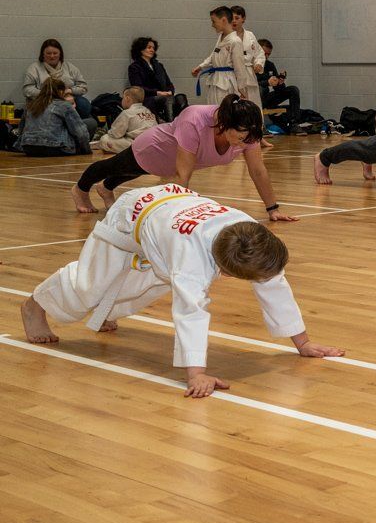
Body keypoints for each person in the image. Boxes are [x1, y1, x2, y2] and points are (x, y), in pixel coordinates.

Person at [22, 184, 344, 397]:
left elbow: (274, 283)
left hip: (169, 210)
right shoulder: (191, 260)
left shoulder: (250, 233)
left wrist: (303, 343)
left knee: (150, 281)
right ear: (225, 272)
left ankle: (108, 309)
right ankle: (34, 305)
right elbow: (190, 312)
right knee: (89, 287)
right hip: (130, 214)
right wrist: (196, 374)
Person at [72, 96, 296, 218]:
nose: (243, 143)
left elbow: (258, 171)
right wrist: (177, 215)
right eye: (239, 138)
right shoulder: (195, 119)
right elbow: (183, 176)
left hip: (167, 163)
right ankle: (80, 190)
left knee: (134, 171)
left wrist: (272, 208)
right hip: (153, 148)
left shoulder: (247, 129)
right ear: (224, 125)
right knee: (117, 166)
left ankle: (106, 188)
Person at [191, 7, 253, 105]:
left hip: (227, 82)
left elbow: (239, 68)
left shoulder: (235, 41)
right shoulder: (221, 37)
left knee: (224, 110)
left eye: (214, 21)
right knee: (212, 109)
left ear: (224, 20)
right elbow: (213, 55)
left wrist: (242, 89)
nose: (212, 25)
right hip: (216, 80)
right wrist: (200, 66)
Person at [17, 78, 93, 157]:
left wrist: (21, 145)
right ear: (60, 91)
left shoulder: (31, 105)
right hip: (55, 147)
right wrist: (86, 150)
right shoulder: (64, 105)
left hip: (29, 148)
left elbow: (21, 129)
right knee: (91, 123)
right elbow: (80, 132)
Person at [24, 39, 91, 119]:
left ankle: (73, 123)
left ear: (60, 54)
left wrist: (69, 91)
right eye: (48, 53)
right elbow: (27, 90)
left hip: (67, 99)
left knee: (84, 104)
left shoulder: (70, 67)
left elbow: (83, 87)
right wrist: (50, 94)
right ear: (43, 54)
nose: (52, 56)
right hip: (45, 100)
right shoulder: (34, 68)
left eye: (55, 53)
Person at [128, 36, 187, 122]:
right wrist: (157, 92)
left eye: (153, 48)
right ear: (141, 49)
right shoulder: (134, 67)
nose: (152, 50)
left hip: (164, 95)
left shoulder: (159, 66)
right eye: (149, 47)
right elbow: (137, 88)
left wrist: (170, 91)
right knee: (168, 99)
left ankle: (183, 122)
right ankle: (170, 123)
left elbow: (169, 83)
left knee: (181, 97)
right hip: (149, 97)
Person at [255, 39, 302, 125]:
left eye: (268, 54)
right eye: (264, 54)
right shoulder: (250, 65)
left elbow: (279, 89)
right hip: (254, 99)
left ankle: (294, 122)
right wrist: (267, 83)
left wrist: (280, 83)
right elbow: (250, 85)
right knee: (261, 89)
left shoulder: (270, 65)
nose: (266, 57)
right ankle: (259, 123)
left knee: (293, 90)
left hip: (266, 99)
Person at [98, 86, 158, 153]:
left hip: (139, 144)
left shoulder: (127, 113)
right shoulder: (148, 111)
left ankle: (134, 152)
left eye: (123, 98)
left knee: (105, 139)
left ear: (127, 98)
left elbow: (116, 134)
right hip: (154, 143)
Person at [229, 6, 266, 106]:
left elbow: (259, 53)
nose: (234, 21)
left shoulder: (250, 35)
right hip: (233, 74)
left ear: (243, 18)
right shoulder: (227, 37)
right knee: (235, 105)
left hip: (249, 75)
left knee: (253, 103)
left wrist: (258, 63)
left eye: (237, 18)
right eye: (231, 18)